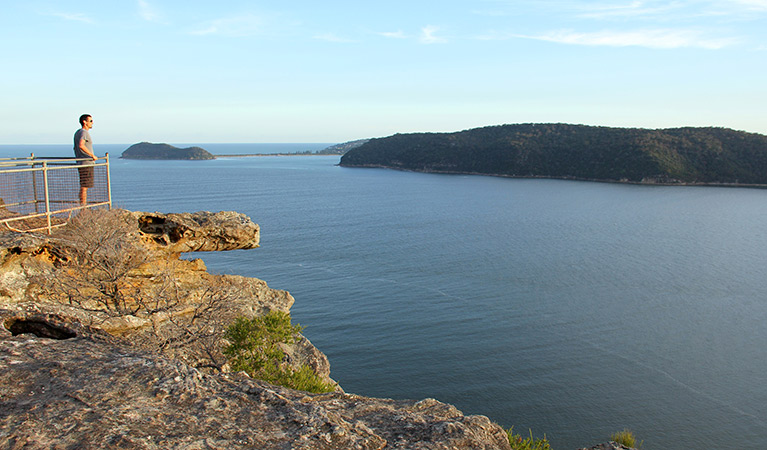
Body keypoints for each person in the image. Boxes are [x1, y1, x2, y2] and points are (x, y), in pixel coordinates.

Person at [73, 114, 98, 205]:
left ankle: (83, 206)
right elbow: (81, 145)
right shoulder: (84, 133)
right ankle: (83, 207)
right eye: (90, 121)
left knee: (84, 186)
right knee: (84, 186)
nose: (92, 123)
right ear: (85, 122)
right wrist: (92, 155)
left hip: (81, 162)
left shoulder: (78, 132)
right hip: (86, 163)